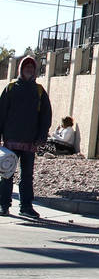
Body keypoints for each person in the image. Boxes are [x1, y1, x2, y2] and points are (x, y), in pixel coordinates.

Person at [0, 57, 52, 218]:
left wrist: (41, 136)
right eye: (26, 66)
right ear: (20, 69)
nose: (29, 69)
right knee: (6, 174)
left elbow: (45, 116)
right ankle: (3, 205)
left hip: (30, 141)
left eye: (31, 67)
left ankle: (26, 206)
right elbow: (1, 114)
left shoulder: (40, 91)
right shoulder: (10, 88)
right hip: (11, 140)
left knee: (27, 176)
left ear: (35, 70)